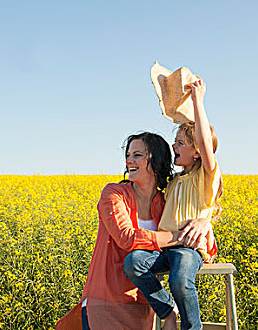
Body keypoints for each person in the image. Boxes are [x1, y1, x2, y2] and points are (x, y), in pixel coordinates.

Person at [55, 132, 189, 330]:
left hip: (144, 307)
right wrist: (178, 237)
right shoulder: (114, 193)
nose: (129, 161)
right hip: (105, 302)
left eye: (137, 155)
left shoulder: (165, 203)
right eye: (128, 155)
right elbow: (126, 238)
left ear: (157, 160)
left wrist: (202, 226)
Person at [123, 80, 222, 330]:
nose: (174, 146)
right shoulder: (174, 180)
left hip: (188, 248)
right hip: (165, 245)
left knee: (180, 279)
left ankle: (192, 328)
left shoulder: (205, 178)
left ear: (197, 151)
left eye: (180, 143)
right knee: (133, 263)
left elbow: (206, 144)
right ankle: (168, 309)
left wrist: (198, 101)